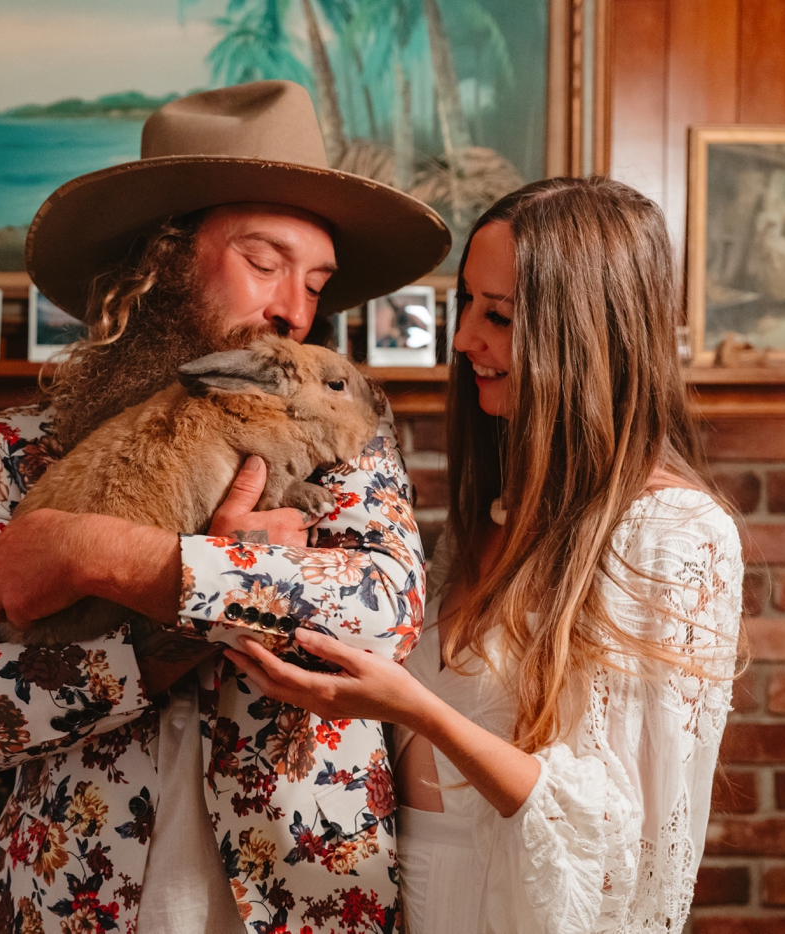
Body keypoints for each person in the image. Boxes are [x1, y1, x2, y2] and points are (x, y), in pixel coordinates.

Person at [0, 81, 451, 934]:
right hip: (76, 903)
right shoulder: (7, 453)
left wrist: (95, 555)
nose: (295, 311)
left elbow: (381, 619)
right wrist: (227, 593)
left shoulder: (340, 439)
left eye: (317, 282)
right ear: (161, 259)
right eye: (265, 261)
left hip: (309, 891)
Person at [228, 176, 744, 934]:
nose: (465, 338)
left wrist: (416, 711)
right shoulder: (487, 523)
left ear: (587, 334)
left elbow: (623, 847)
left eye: (497, 315)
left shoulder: (675, 534)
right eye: (464, 304)